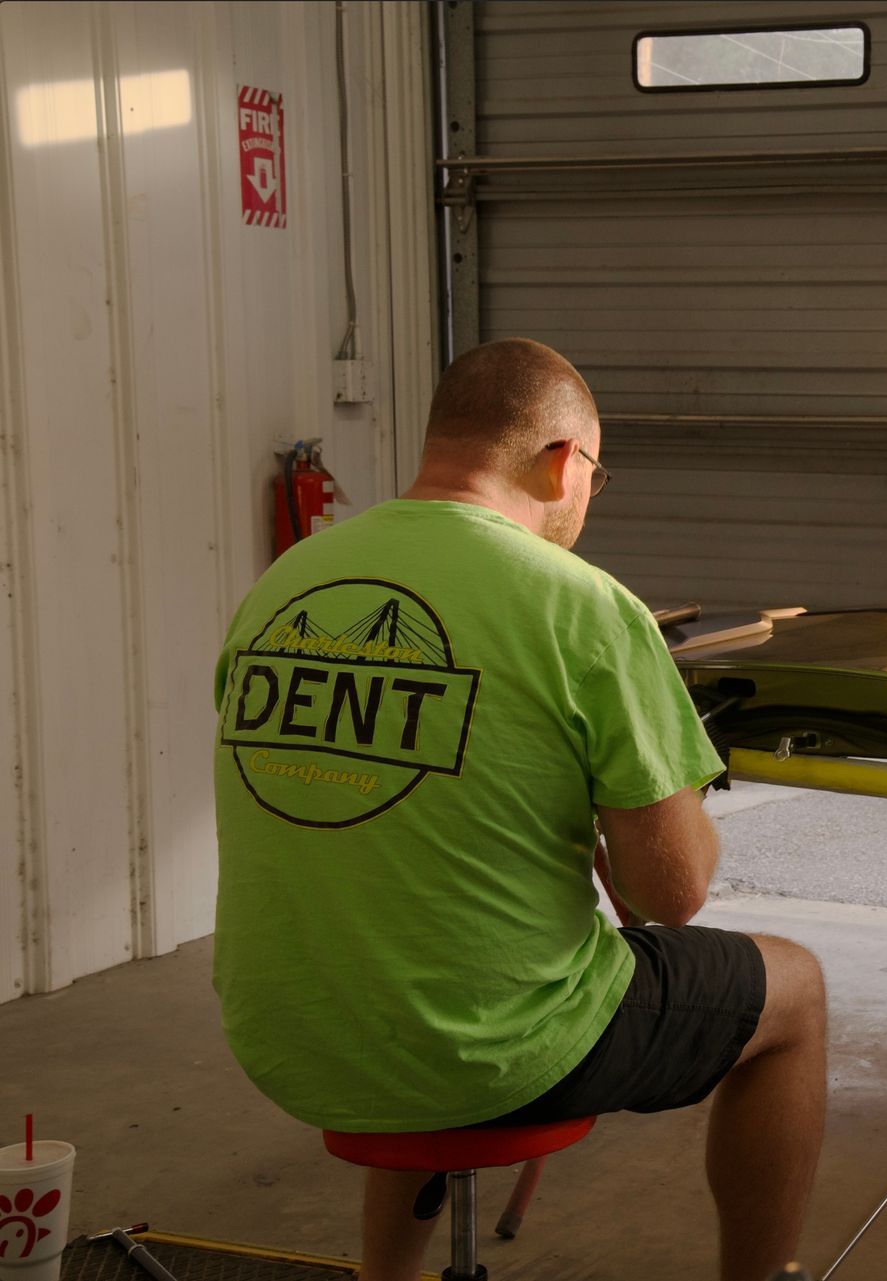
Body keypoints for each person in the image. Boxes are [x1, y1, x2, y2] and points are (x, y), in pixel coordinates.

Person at [211, 338, 826, 1281]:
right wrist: (673, 771)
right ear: (560, 460)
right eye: (596, 473)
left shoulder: (284, 587)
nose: (588, 498)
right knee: (796, 991)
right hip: (483, 1051)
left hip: (287, 1034)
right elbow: (673, 894)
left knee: (411, 967)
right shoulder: (584, 607)